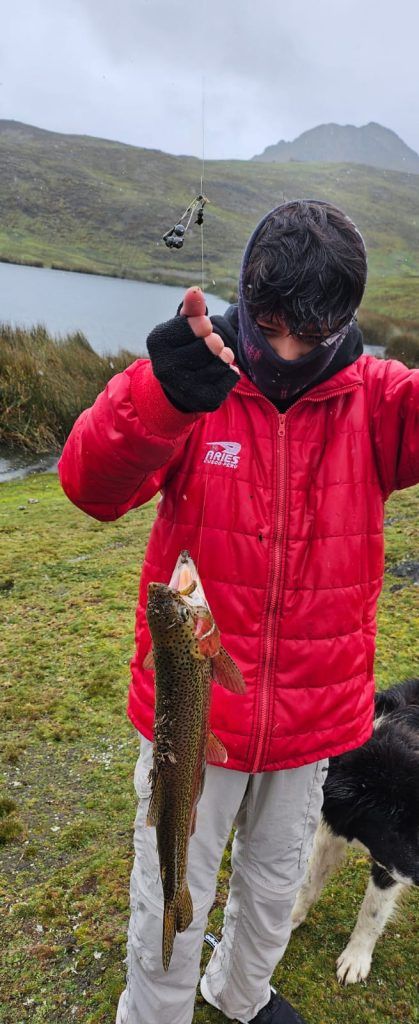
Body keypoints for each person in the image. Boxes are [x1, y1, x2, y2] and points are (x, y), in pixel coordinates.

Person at [58, 200, 419, 1024]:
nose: (287, 353)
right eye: (272, 327)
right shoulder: (195, 374)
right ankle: (155, 1012)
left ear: (345, 322)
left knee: (271, 886)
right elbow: (88, 486)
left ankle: (240, 992)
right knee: (167, 892)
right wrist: (155, 397)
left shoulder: (380, 401)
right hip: (192, 722)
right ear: (245, 299)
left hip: (312, 723)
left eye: (312, 336)